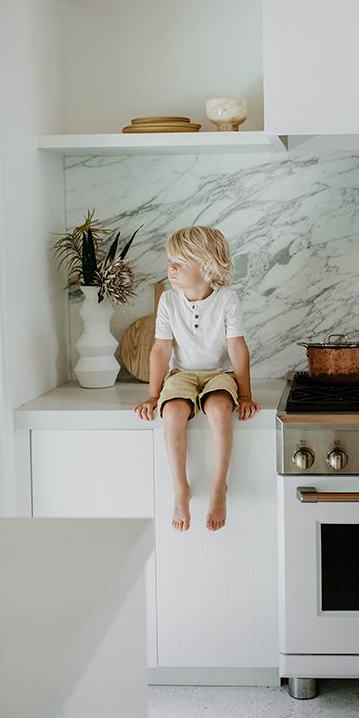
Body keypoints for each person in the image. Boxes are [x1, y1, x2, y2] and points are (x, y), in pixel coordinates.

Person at [133, 226, 259, 532]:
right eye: (170, 260)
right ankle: (181, 489)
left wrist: (244, 395)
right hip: (182, 375)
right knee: (172, 412)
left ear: (207, 265)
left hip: (217, 375)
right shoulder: (168, 300)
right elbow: (161, 349)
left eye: (179, 261)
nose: (170, 268)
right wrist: (153, 395)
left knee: (218, 410)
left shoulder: (227, 299)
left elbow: (237, 348)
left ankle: (219, 488)